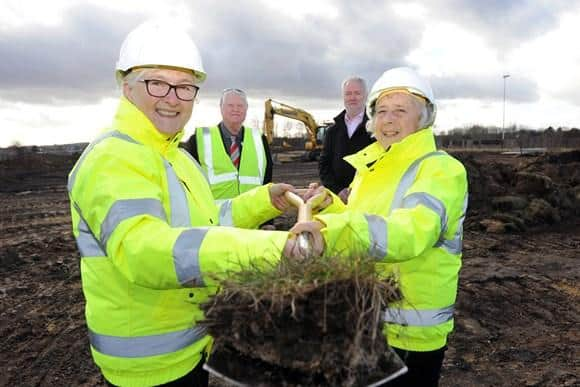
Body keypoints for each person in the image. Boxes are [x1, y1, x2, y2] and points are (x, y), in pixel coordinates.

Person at [67, 20, 313, 387]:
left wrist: (265, 201)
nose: (172, 97)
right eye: (157, 83)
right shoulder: (113, 158)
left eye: (184, 87)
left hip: (188, 343)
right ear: (126, 86)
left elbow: (209, 221)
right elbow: (146, 251)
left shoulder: (176, 157)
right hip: (149, 363)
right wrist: (277, 249)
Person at [293, 67, 469, 386]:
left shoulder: (441, 171)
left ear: (424, 118)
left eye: (401, 111)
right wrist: (329, 204)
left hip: (410, 333)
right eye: (382, 111)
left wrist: (331, 233)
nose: (389, 120)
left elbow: (409, 233)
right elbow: (363, 215)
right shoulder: (371, 166)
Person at [184, 88, 275, 229]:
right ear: (221, 109)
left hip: (253, 225)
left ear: (246, 110)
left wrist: (268, 221)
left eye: (240, 106)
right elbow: (188, 186)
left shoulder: (259, 140)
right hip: (215, 227)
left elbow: (266, 183)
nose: (236, 110)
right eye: (230, 106)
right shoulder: (199, 140)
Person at [318, 76, 374, 202]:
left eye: (357, 93)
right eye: (348, 94)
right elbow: (324, 164)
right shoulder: (333, 131)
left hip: (368, 199)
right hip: (338, 200)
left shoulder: (376, 128)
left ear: (366, 95)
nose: (352, 97)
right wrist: (338, 190)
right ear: (343, 97)